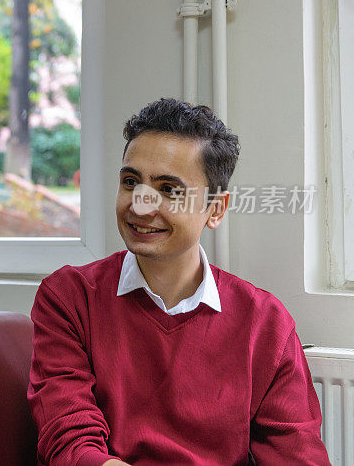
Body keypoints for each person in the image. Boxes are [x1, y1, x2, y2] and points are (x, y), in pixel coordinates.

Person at [28, 98, 330, 465]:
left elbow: (298, 456)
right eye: (130, 181)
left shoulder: (265, 323)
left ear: (215, 209)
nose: (139, 206)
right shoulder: (69, 298)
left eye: (169, 189)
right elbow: (70, 443)